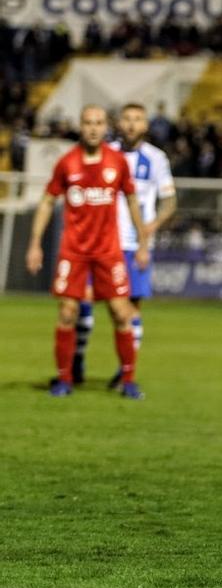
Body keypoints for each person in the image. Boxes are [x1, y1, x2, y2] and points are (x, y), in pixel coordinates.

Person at [25, 105, 151, 399]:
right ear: (80, 127)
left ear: (106, 127)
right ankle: (64, 379)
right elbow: (46, 202)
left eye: (98, 123)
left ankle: (128, 380)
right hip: (74, 252)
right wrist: (34, 243)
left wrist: (143, 242)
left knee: (121, 312)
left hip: (108, 251)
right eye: (87, 123)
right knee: (67, 312)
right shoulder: (67, 163)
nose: (93, 128)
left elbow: (132, 202)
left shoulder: (117, 162)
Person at [70, 103, 176, 388]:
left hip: (134, 245)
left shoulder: (156, 159)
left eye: (138, 119)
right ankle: (77, 359)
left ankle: (125, 372)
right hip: (101, 242)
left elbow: (169, 202)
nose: (131, 124)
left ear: (145, 125)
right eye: (127, 119)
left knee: (131, 309)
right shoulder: (106, 155)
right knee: (84, 300)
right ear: (118, 123)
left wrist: (149, 230)